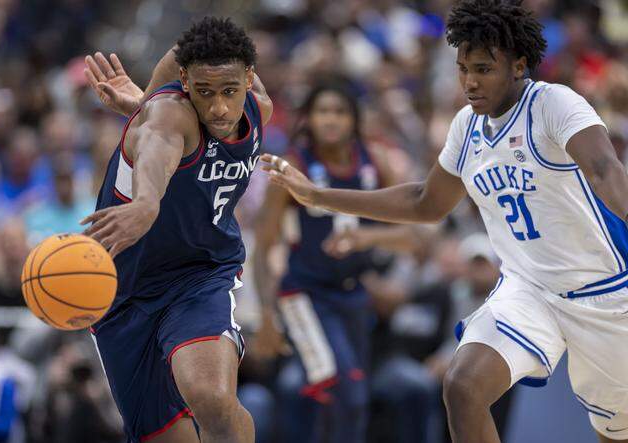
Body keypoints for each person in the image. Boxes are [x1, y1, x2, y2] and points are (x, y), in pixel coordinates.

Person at [261, 1, 628, 442]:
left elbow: (605, 170)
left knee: (614, 432)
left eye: (483, 69)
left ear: (519, 65)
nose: (470, 82)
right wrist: (317, 196)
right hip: (528, 291)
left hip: (601, 291)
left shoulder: (553, 103)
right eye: (462, 69)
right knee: (463, 385)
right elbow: (423, 202)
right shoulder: (467, 127)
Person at [81, 17, 273, 443]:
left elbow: (190, 51)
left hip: (198, 275)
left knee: (211, 396)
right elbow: (157, 149)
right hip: (122, 291)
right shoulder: (168, 115)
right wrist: (147, 201)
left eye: (229, 91)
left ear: (249, 78)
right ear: (184, 81)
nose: (220, 107)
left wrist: (142, 101)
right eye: (204, 93)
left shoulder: (261, 107)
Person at [252, 79, 398, 442]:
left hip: (353, 295)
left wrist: (369, 238)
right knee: (344, 392)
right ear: (309, 119)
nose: (330, 120)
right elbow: (263, 248)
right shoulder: (293, 167)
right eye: (322, 112)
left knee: (346, 402)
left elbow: (415, 235)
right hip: (305, 296)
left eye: (339, 112)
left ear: (354, 119)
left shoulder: (374, 162)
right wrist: (268, 316)